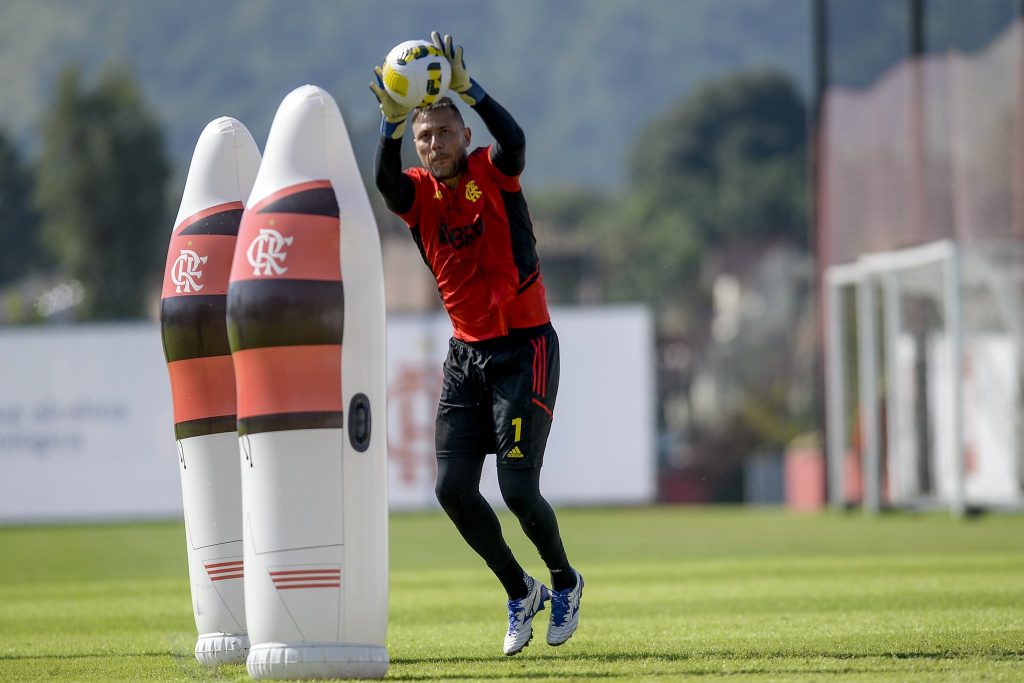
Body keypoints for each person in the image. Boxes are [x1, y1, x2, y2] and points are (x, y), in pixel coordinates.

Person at [370, 32, 583, 656]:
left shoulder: (492, 168)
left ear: (465, 136)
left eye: (443, 132)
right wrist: (386, 126)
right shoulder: (417, 195)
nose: (434, 144)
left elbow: (515, 141)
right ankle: (521, 590)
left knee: (517, 491)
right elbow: (386, 186)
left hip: (525, 348)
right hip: (468, 356)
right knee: (451, 490)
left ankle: (565, 581)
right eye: (423, 137)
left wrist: (471, 91)